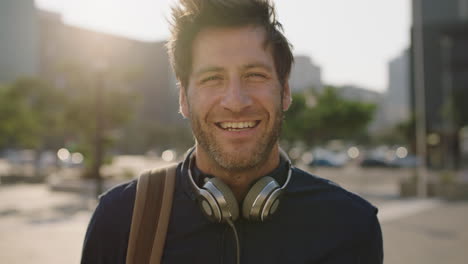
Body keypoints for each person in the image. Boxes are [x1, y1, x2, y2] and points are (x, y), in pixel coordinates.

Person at [81, 0, 383, 263]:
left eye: (255, 75)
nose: (236, 102)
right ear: (184, 98)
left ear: (285, 91)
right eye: (213, 78)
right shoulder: (121, 220)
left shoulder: (350, 226)